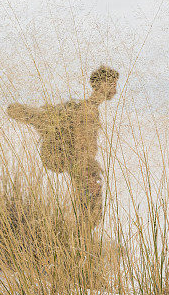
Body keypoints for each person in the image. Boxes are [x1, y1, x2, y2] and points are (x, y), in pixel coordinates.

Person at [6, 65, 119, 230]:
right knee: (90, 217)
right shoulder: (87, 110)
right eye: (112, 85)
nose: (115, 91)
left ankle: (79, 242)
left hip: (82, 169)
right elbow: (82, 148)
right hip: (84, 170)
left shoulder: (86, 107)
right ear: (102, 84)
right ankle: (81, 246)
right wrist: (89, 174)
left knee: (87, 216)